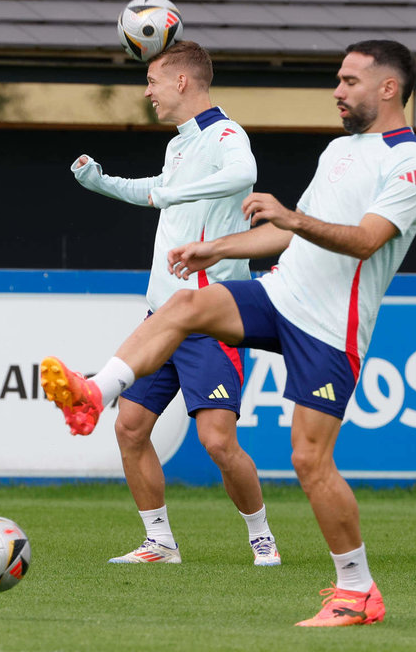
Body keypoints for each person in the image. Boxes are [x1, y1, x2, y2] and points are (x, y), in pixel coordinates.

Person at [42, 39, 416, 625]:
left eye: (350, 80)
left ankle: (357, 589)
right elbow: (287, 237)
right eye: (338, 79)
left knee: (309, 461)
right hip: (279, 292)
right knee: (183, 305)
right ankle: (97, 392)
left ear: (387, 88)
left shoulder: (412, 162)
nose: (337, 90)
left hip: (331, 325)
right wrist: (215, 248)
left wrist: (291, 216)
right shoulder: (337, 152)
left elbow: (365, 239)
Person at [67, 40, 280, 566]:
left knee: (217, 442)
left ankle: (261, 536)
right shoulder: (180, 145)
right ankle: (159, 542)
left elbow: (243, 176)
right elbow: (156, 191)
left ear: (182, 82)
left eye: (153, 81)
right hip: (161, 317)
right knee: (130, 427)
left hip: (210, 316)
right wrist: (102, 182)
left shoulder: (226, 134)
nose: (148, 92)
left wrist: (170, 194)